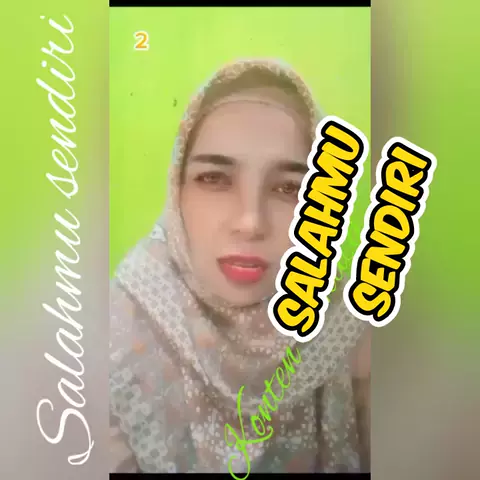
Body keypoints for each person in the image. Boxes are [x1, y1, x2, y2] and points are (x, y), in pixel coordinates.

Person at [110, 59, 370, 474]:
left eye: (289, 187)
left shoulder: (350, 327)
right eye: (215, 179)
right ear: (177, 189)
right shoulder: (114, 331)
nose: (250, 222)